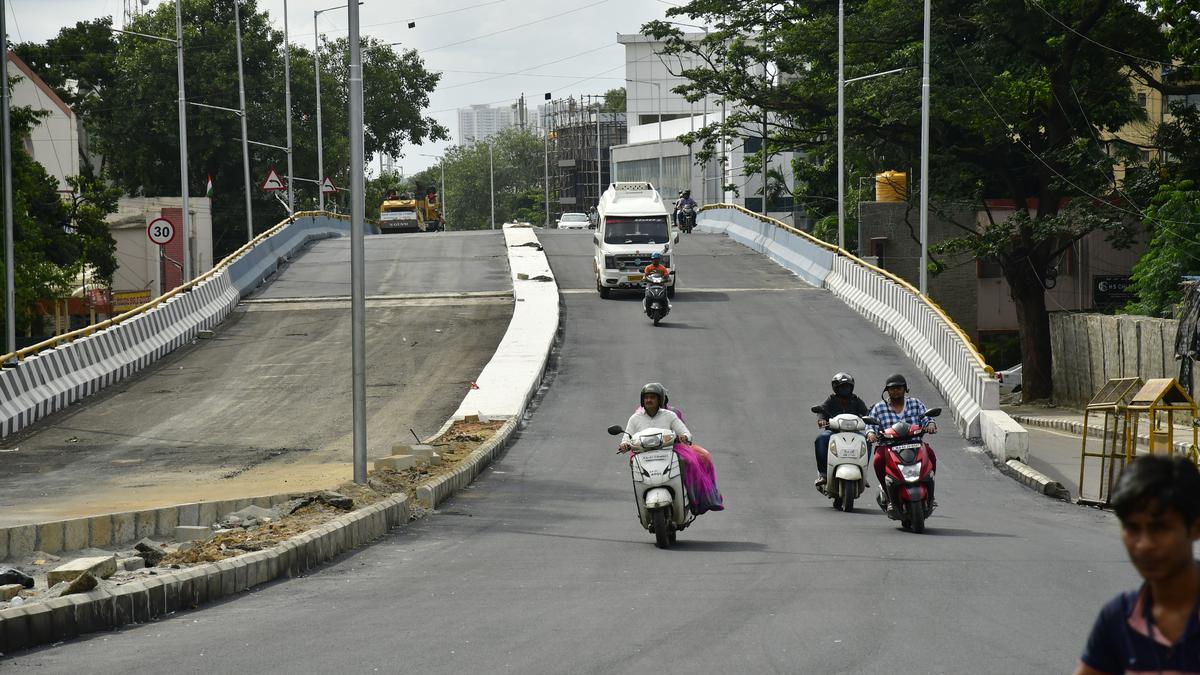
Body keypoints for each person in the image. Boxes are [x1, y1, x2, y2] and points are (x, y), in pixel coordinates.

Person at [1074, 455, 1200, 675]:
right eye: (1132, 528)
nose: (1144, 545)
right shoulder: (1117, 618)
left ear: (1195, 528)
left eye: (1160, 528)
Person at [867, 373, 938, 510]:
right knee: (877, 460)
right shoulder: (879, 408)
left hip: (915, 445)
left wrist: (930, 425)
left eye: (898, 388)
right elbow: (871, 425)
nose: (895, 391)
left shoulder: (915, 403)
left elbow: (926, 417)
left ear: (905, 389)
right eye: (892, 388)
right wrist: (871, 434)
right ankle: (888, 495)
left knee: (931, 454)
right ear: (886, 391)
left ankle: (931, 495)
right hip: (889, 447)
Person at [813, 372, 870, 488]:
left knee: (867, 441)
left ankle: (863, 472)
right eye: (842, 387)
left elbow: (866, 413)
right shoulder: (830, 399)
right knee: (821, 439)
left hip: (854, 433)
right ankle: (823, 474)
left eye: (847, 387)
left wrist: (869, 418)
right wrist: (821, 420)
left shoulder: (856, 400)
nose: (845, 389)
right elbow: (822, 411)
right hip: (834, 432)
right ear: (836, 388)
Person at [621, 382, 691, 450]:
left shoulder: (670, 415)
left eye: (652, 397)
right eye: (646, 397)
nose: (648, 400)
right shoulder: (634, 418)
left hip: (668, 454)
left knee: (684, 461)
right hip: (641, 455)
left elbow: (686, 433)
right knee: (632, 461)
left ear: (659, 400)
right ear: (642, 400)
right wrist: (624, 444)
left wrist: (685, 437)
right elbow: (626, 438)